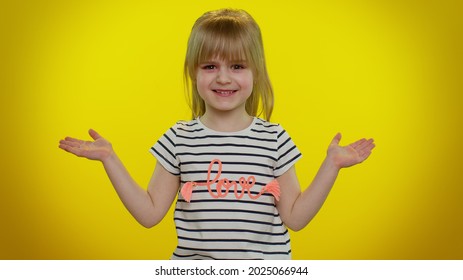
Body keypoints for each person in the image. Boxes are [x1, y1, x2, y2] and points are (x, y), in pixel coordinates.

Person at [59, 8, 375, 260]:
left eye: (237, 66)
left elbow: (295, 217)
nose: (223, 78)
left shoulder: (274, 139)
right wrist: (109, 158)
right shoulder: (179, 139)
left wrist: (331, 165)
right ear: (192, 72)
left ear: (257, 71)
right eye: (210, 66)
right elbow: (149, 213)